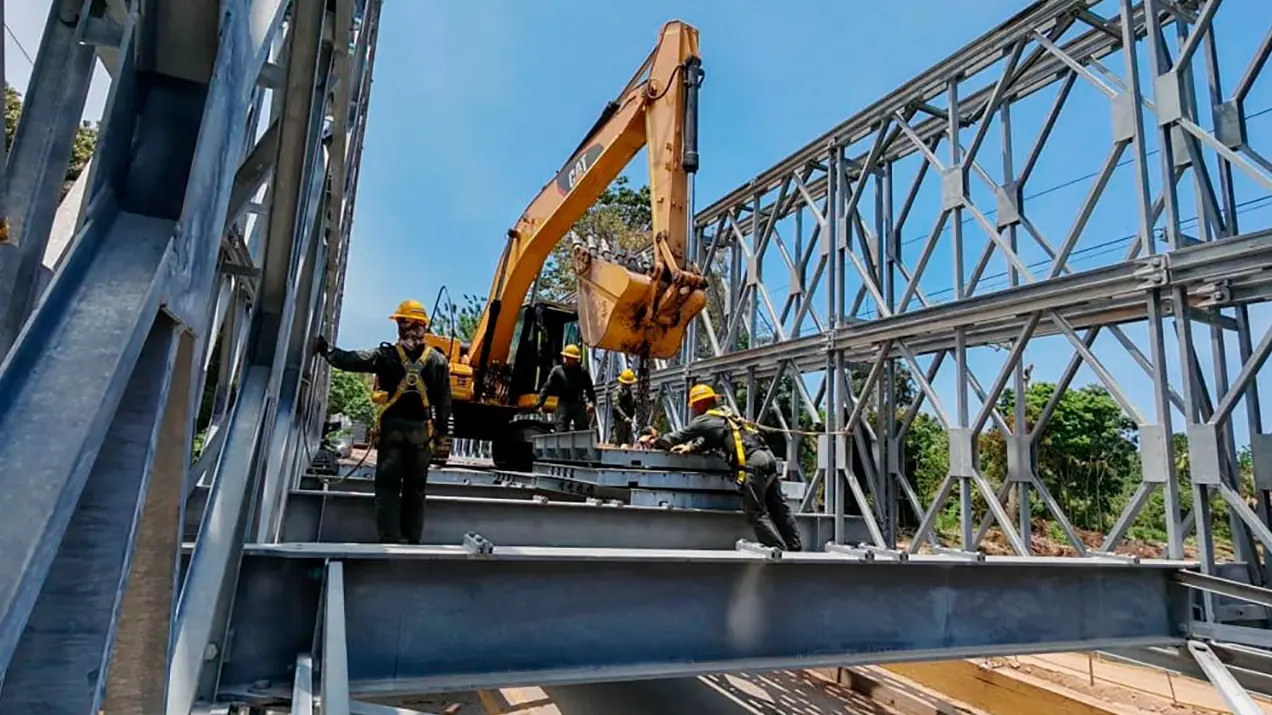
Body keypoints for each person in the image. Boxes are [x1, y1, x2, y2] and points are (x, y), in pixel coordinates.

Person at [313, 299, 452, 544]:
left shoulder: (386, 355)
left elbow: (351, 359)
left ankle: (390, 536)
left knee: (388, 487)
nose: (399, 325)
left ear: (406, 324)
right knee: (416, 489)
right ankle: (412, 538)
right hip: (421, 433)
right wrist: (440, 434)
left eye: (401, 321)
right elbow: (444, 402)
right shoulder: (437, 361)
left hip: (393, 431)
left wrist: (326, 350)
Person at [640, 384, 803, 551]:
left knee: (755, 512)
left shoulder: (703, 420)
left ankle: (778, 551)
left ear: (700, 404)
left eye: (694, 406)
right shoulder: (727, 414)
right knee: (778, 509)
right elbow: (716, 437)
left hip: (752, 464)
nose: (694, 410)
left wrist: (655, 440)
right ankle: (796, 549)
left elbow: (675, 438)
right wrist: (692, 448)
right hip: (767, 458)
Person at [532, 344, 596, 432]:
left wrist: (592, 402)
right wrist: (539, 404)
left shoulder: (582, 372)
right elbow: (546, 388)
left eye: (573, 358)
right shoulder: (557, 371)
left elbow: (589, 389)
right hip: (563, 404)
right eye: (568, 357)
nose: (570, 360)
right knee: (561, 428)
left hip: (578, 404)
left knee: (582, 429)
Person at [609, 368, 640, 445]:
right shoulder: (618, 391)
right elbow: (616, 405)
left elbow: (633, 404)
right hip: (619, 422)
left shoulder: (630, 392)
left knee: (629, 442)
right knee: (618, 441)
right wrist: (624, 417)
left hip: (628, 422)